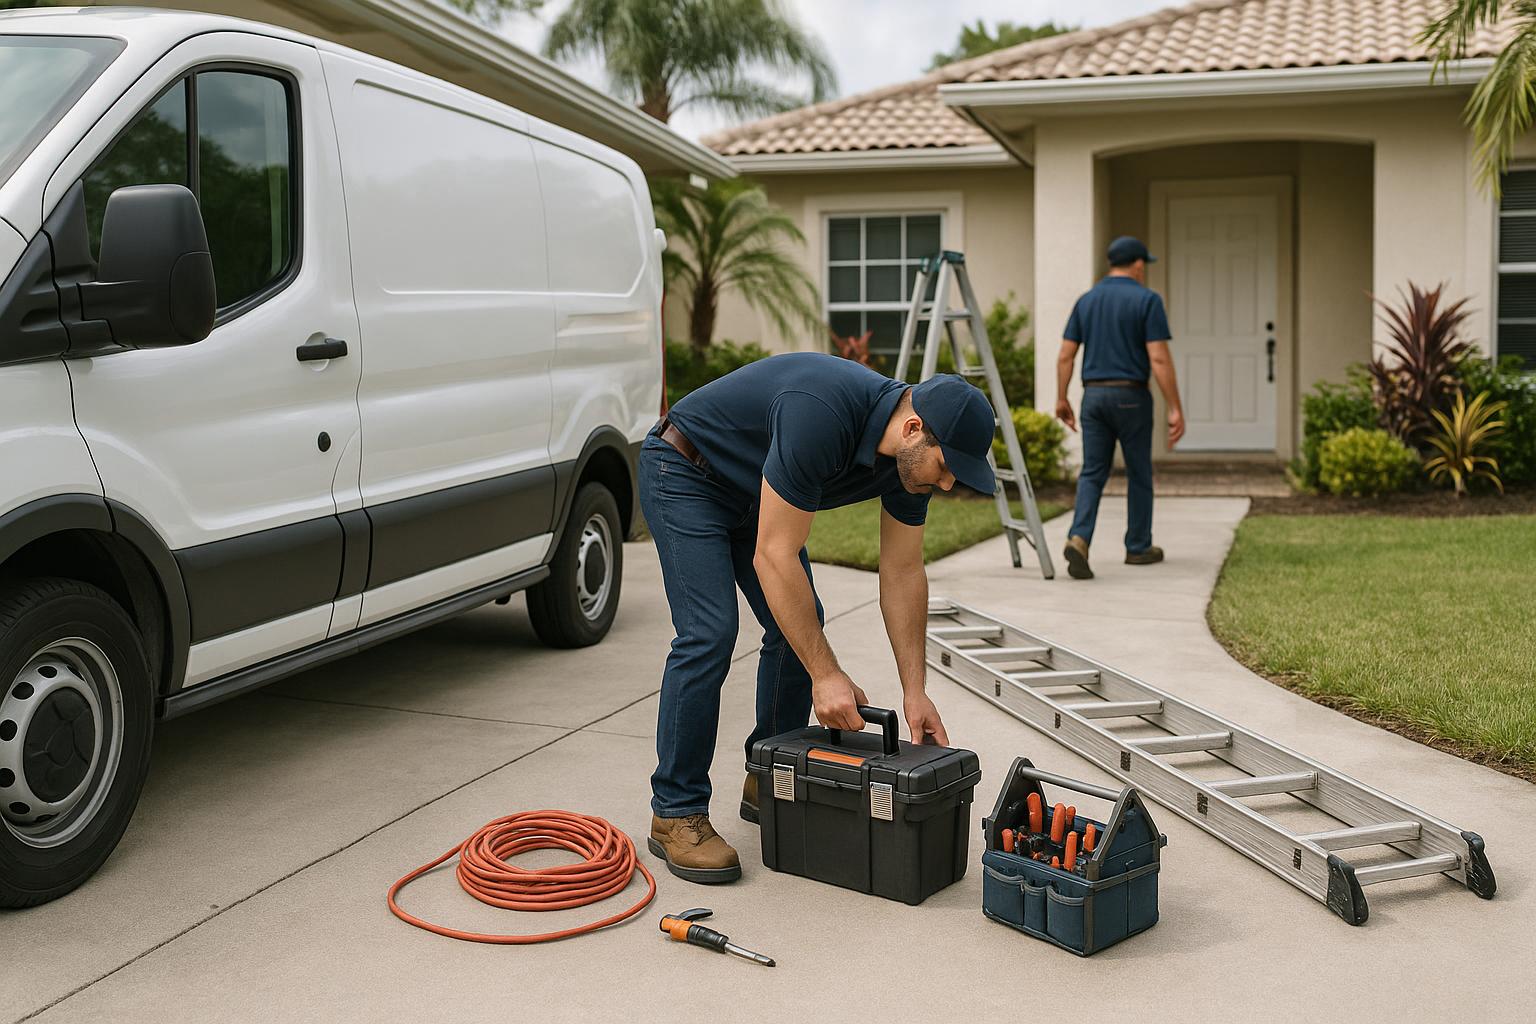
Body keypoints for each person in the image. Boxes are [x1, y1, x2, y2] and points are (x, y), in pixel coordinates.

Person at [639, 352, 995, 883]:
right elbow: (774, 556)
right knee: (710, 632)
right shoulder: (821, 414)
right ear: (915, 428)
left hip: (753, 490)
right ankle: (675, 812)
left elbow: (902, 571)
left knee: (798, 630)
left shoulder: (907, 464)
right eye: (946, 467)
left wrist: (914, 691)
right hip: (687, 470)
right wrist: (826, 676)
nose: (946, 485)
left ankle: (770, 771)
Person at [1054, 236, 1186, 580]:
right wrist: (1175, 406)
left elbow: (1066, 355)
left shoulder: (1087, 301)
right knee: (1138, 472)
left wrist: (1061, 397)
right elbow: (1158, 357)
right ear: (1139, 265)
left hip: (1093, 397)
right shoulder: (1147, 300)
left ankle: (1080, 537)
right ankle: (1138, 546)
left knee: (1092, 472)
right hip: (1131, 397)